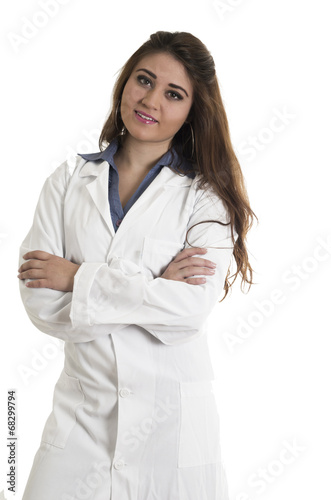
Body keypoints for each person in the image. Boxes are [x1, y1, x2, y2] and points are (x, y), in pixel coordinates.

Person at [18, 31, 256, 500]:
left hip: (171, 430)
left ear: (193, 110)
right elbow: (41, 302)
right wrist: (153, 290)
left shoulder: (205, 198)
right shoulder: (67, 182)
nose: (151, 100)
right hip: (81, 424)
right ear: (125, 81)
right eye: (143, 80)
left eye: (174, 94)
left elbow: (189, 311)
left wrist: (77, 278)